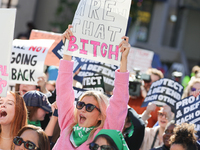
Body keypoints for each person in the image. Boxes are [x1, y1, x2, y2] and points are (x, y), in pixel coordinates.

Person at [53, 25, 130, 149]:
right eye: (80, 104)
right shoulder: (68, 125)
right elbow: (63, 90)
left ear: (100, 116)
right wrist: (67, 51)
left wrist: (123, 61)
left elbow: (119, 102)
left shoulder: (103, 136)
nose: (82, 109)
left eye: (89, 107)